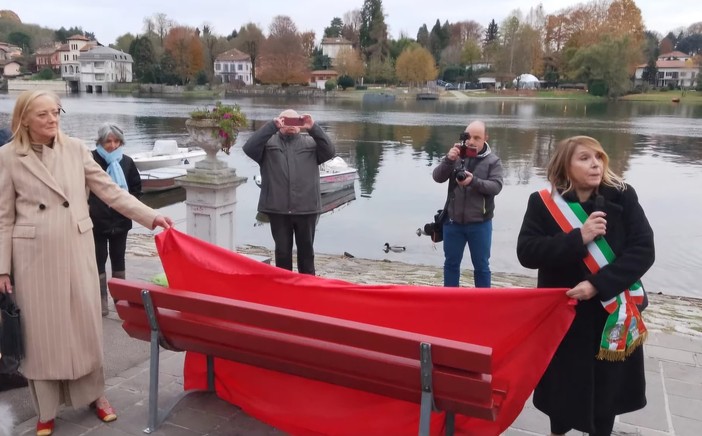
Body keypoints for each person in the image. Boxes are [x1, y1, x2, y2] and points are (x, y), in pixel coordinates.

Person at [0, 90, 173, 436]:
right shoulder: (7, 157)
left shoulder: (77, 150)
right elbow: (4, 217)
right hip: (32, 256)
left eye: (56, 112)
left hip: (77, 248)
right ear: (24, 120)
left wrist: (151, 217)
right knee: (42, 335)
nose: (52, 120)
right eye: (43, 115)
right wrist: (3, 267)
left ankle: (96, 395)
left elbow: (111, 192)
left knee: (84, 328)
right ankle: (45, 410)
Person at [516, 136, 654, 436]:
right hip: (565, 316)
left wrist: (597, 284)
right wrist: (578, 238)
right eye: (584, 158)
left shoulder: (623, 195)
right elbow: (527, 252)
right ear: (565, 165)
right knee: (562, 392)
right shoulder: (543, 203)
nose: (595, 164)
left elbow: (643, 250)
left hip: (610, 311)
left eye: (599, 157)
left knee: (607, 394)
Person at [243, 109, 335, 275]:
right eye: (286, 121)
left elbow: (330, 151)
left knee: (306, 253)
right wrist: (272, 126)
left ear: (300, 125)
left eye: (295, 121)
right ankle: (284, 291)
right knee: (282, 253)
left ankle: (308, 289)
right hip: (278, 209)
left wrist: (313, 127)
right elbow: (249, 148)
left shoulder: (311, 144)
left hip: (306, 209)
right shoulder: (268, 144)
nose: (291, 125)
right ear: (280, 122)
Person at [432, 120, 503, 288]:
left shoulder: (493, 161)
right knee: (450, 264)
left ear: (486, 138)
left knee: (481, 267)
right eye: (468, 137)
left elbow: (496, 186)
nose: (471, 141)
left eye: (477, 137)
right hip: (453, 222)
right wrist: (449, 160)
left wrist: (474, 182)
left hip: (480, 223)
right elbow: (437, 177)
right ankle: (450, 302)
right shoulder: (457, 156)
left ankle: (483, 304)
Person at [89, 123, 142, 317]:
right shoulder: (91, 160)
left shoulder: (127, 162)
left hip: (121, 221)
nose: (112, 145)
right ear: (100, 142)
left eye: (116, 141)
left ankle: (120, 302)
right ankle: (101, 301)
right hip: (97, 221)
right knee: (98, 260)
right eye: (108, 141)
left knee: (119, 260)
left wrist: (128, 207)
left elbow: (136, 188)